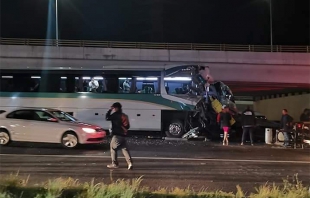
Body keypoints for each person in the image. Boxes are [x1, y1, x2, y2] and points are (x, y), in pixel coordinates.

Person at [106, 102, 133, 170]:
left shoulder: (115, 115)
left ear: (116, 108)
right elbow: (128, 126)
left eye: (114, 108)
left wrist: (110, 110)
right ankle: (130, 163)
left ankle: (114, 164)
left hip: (117, 135)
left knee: (113, 148)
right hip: (123, 135)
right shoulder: (124, 115)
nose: (113, 109)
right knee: (124, 149)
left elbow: (107, 117)